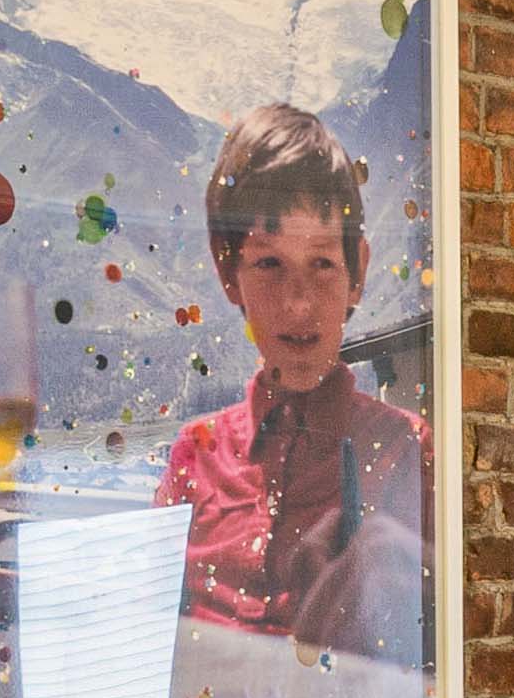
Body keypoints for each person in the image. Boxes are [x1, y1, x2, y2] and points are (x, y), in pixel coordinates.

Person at [165, 101, 430, 657]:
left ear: (357, 271)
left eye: (323, 264)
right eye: (269, 265)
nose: (299, 302)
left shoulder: (410, 452)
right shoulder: (194, 456)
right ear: (227, 274)